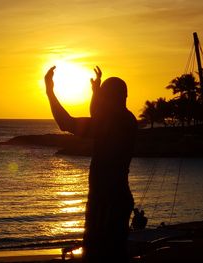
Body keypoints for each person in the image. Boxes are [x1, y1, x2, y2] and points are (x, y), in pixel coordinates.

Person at [45, 65, 137, 262]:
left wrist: (49, 91)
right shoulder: (127, 119)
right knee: (114, 252)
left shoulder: (114, 122)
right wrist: (96, 92)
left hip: (107, 201)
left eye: (105, 97)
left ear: (111, 99)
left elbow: (65, 122)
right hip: (115, 197)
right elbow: (98, 116)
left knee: (99, 254)